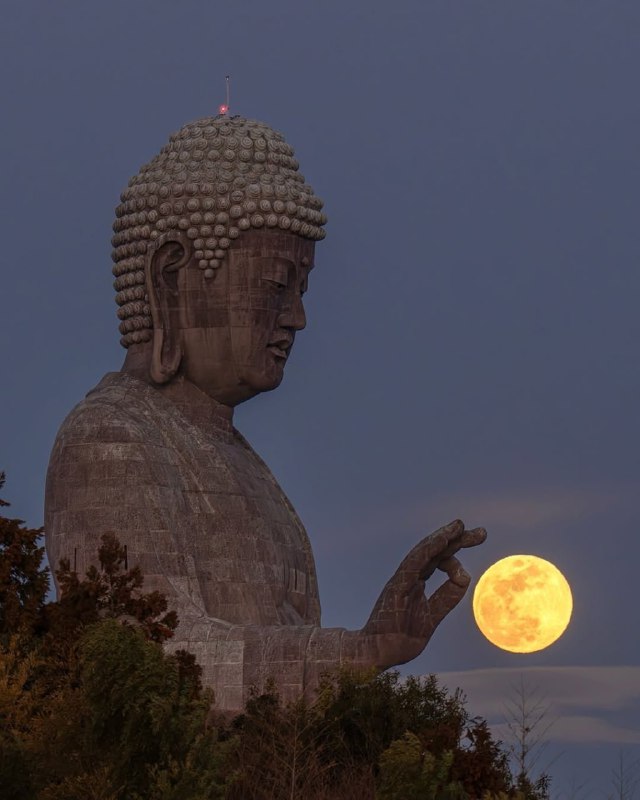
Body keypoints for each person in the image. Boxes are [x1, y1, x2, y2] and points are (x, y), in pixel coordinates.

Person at [45, 114, 485, 710]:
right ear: (171, 280)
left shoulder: (239, 461)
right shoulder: (108, 440)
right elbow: (160, 657)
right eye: (276, 286)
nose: (297, 318)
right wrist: (355, 653)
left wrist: (369, 650)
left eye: (302, 290)